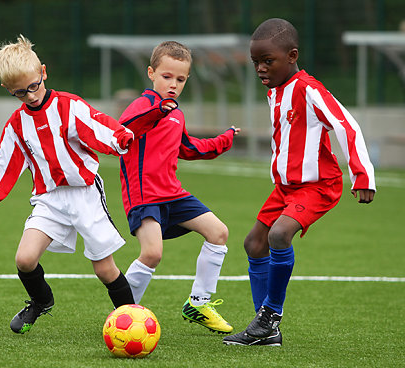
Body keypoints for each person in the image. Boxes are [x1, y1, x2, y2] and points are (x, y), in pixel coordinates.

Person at [0, 35, 136, 334]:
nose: (31, 96)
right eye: (20, 92)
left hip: (84, 194)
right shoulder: (16, 125)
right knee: (24, 259)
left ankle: (133, 320)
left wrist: (120, 137)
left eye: (34, 86)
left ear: (43, 73)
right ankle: (41, 301)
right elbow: (1, 166)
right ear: (8, 90)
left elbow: (98, 126)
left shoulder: (68, 106)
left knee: (104, 269)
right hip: (49, 199)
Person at [223, 18, 376, 347]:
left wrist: (362, 174)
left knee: (279, 234)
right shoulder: (276, 91)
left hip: (318, 184)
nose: (261, 69)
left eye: (268, 61)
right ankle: (265, 329)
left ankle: (269, 317)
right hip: (285, 188)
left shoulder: (309, 89)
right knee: (253, 243)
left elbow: (346, 125)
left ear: (292, 56)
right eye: (255, 62)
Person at [118, 41, 241, 334]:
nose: (173, 84)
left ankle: (198, 303)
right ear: (151, 73)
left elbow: (189, 147)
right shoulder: (144, 105)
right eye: (166, 76)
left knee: (218, 232)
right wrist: (157, 111)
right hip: (144, 195)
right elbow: (123, 131)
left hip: (173, 194)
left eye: (180, 79)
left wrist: (223, 139)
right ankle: (121, 313)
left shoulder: (175, 112)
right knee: (152, 254)